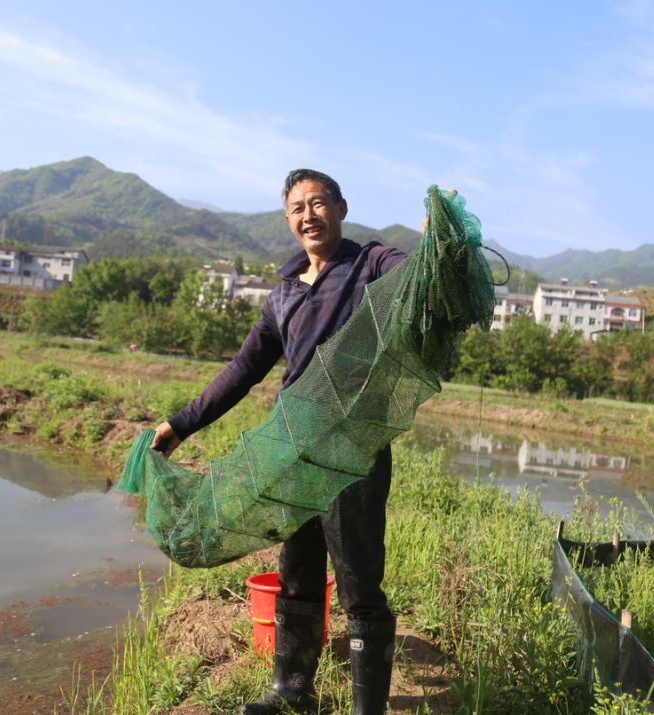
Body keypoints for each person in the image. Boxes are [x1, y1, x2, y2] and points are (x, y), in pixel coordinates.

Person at [151, 169, 404, 714]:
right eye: (297, 208)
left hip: (352, 450)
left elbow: (418, 280)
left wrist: (440, 244)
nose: (308, 215)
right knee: (297, 571)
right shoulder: (284, 293)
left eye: (318, 203)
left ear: (340, 207)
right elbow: (243, 370)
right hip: (293, 452)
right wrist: (178, 424)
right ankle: (291, 693)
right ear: (288, 220)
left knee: (359, 579)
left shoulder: (372, 265)